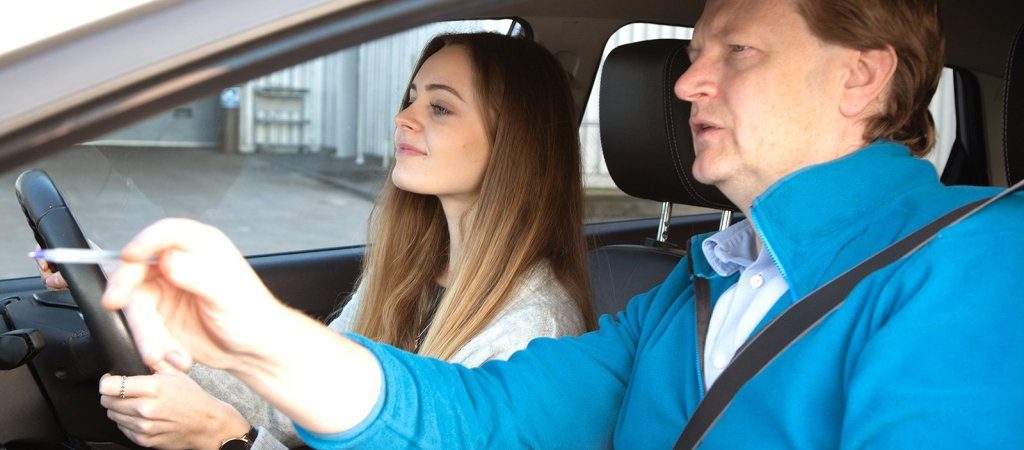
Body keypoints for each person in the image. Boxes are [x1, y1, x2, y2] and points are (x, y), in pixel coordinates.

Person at [100, 0, 1024, 448]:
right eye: (694, 53)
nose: (688, 82)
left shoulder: (977, 264)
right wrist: (257, 336)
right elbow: (479, 418)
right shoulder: (697, 289)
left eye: (736, 51)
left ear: (860, 77)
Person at [44, 32, 594, 449]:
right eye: (411, 98)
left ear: (512, 143)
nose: (402, 117)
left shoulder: (535, 329)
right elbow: (293, 405)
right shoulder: (412, 271)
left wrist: (226, 438)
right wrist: (137, 302)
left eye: (440, 107)